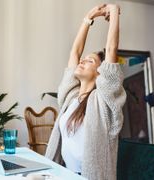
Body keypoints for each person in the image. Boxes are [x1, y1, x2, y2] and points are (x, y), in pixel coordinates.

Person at [45, 3, 126, 179]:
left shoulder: (104, 100)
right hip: (65, 174)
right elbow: (74, 53)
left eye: (89, 61)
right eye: (84, 59)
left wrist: (113, 11)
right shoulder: (71, 97)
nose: (81, 61)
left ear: (101, 73)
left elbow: (112, 50)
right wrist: (88, 17)